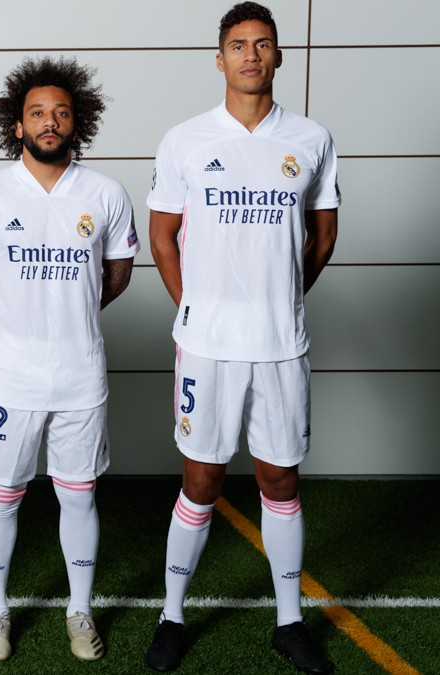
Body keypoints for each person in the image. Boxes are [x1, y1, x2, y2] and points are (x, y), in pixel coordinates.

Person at [144, 3, 340, 673]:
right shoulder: (185, 140)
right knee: (201, 478)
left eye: (262, 44)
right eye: (238, 44)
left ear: (278, 56)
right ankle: (172, 616)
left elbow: (323, 234)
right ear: (219, 58)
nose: (250, 54)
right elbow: (162, 236)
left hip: (281, 344)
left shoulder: (311, 138)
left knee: (280, 478)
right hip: (207, 346)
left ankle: (290, 622)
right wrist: (195, 306)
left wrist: (281, 296)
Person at [0, 56, 138, 665]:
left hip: (81, 375)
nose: (49, 122)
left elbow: (117, 273)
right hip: (10, 377)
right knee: (1, 495)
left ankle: (79, 611)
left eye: (60, 112)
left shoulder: (105, 194)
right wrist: (7, 313)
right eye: (37, 113)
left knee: (78, 496)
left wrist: (71, 312)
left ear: (78, 121)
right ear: (17, 125)